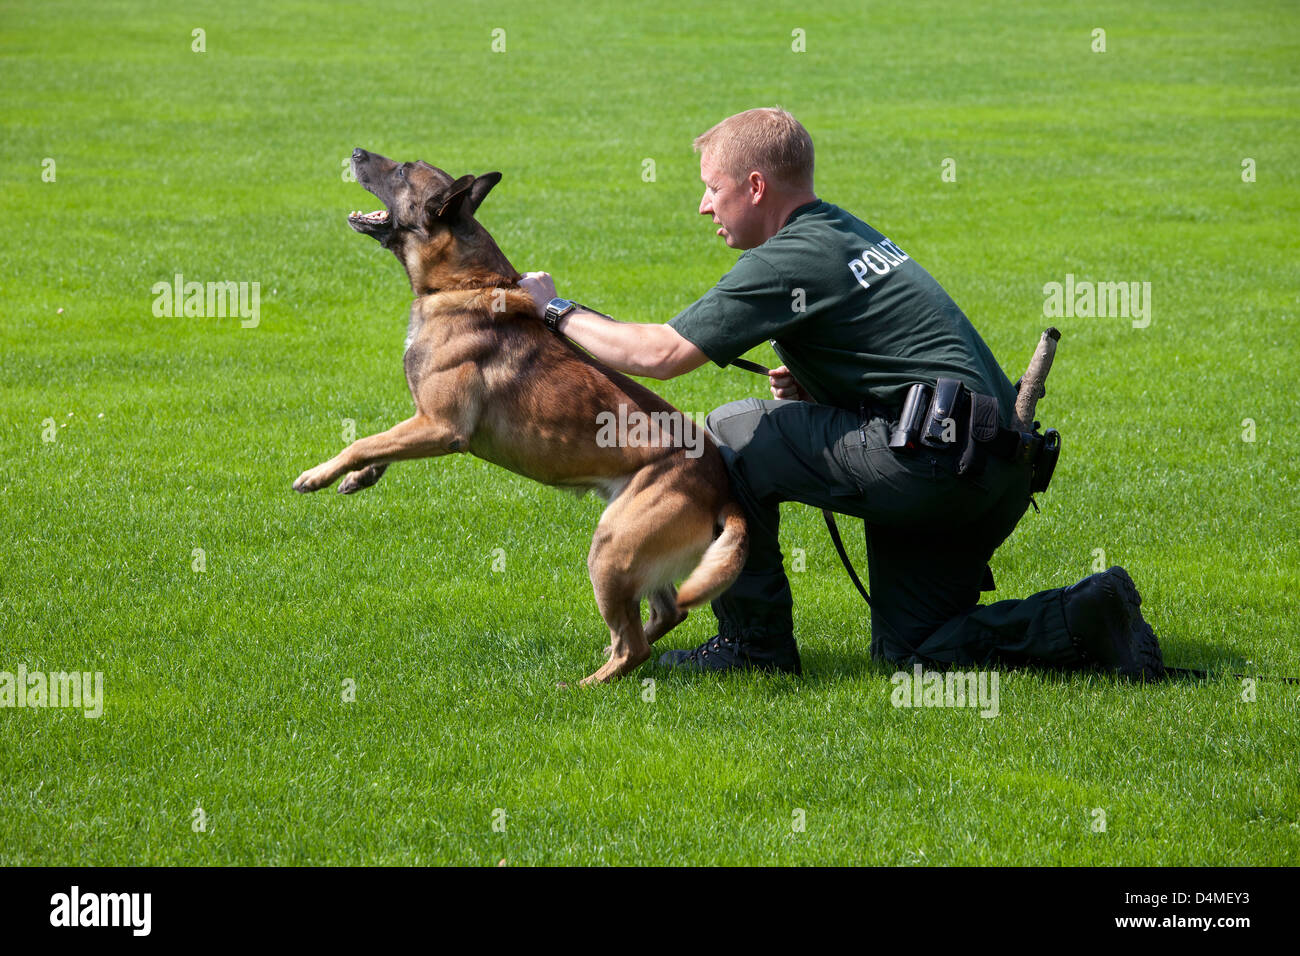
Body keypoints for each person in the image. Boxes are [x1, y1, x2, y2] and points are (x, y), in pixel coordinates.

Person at [518, 107, 1165, 680]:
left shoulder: (790, 258)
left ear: (755, 186)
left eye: (712, 190)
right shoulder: (844, 233)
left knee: (728, 434)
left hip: (932, 467)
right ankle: (1086, 617)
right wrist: (813, 386)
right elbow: (896, 355)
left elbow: (660, 356)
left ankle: (753, 648)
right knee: (916, 655)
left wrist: (554, 309)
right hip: (991, 472)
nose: (704, 207)